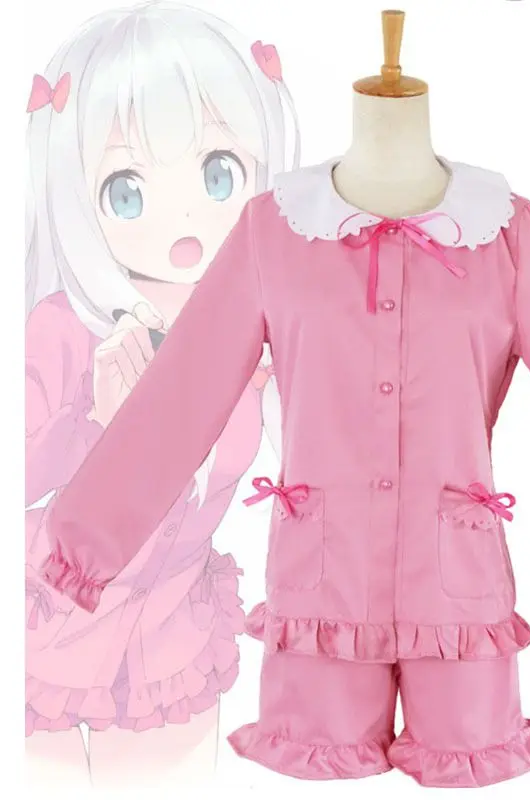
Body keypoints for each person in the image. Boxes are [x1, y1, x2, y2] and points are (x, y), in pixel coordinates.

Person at [24, 1, 297, 788]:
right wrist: (96, 425)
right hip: (43, 630)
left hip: (170, 638)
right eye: (127, 189)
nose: (183, 217)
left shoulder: (263, 332)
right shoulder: (64, 329)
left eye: (217, 175)